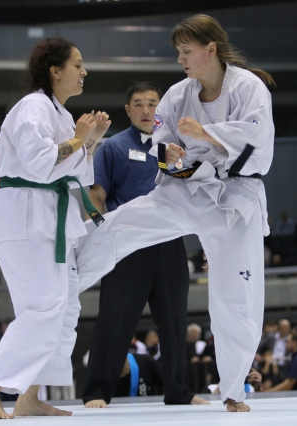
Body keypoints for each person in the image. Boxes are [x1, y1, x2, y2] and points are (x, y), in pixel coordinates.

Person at [75, 14, 275, 412]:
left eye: (186, 51)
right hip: (188, 188)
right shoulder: (177, 94)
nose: (180, 59)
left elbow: (259, 144)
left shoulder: (248, 88)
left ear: (210, 50)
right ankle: (65, 275)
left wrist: (206, 134)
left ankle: (233, 390)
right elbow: (161, 149)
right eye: (179, 52)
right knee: (123, 222)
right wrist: (173, 155)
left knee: (236, 298)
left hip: (236, 199)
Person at [0, 36, 111, 419]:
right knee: (44, 305)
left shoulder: (59, 113)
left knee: (65, 309)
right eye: (77, 65)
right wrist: (79, 138)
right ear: (55, 70)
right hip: (26, 212)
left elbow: (76, 174)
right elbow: (39, 164)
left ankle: (29, 395)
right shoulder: (33, 107)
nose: (84, 71)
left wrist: (90, 142)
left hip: (49, 213)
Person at [82, 81, 205, 409]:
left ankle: (178, 391)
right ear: (128, 110)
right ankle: (97, 391)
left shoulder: (176, 147)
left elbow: (198, 196)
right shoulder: (114, 147)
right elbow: (97, 194)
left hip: (170, 241)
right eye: (139, 104)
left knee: (174, 320)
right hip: (127, 244)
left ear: (162, 109)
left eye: (152, 104)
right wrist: (96, 230)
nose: (146, 110)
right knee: (114, 318)